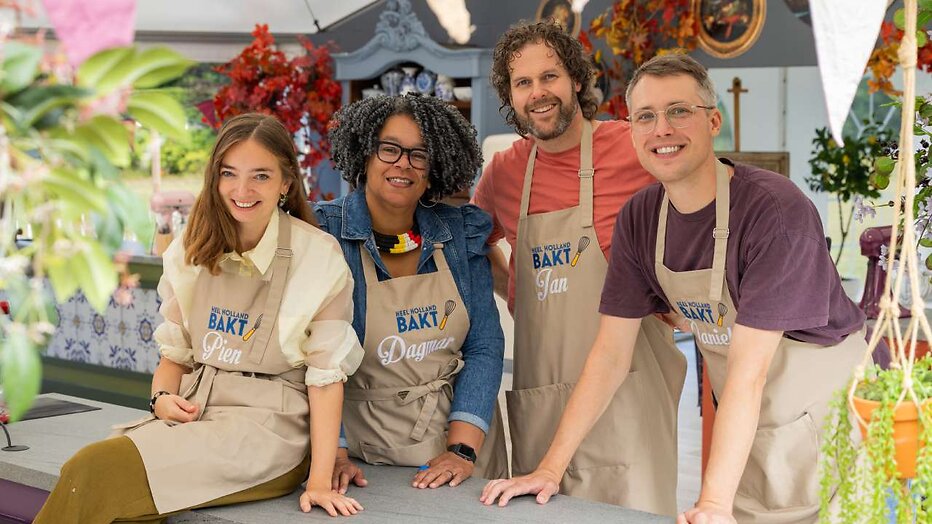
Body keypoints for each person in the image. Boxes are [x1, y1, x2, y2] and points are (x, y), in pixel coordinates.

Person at [480, 54, 866, 524]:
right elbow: (610, 354)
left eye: (679, 111)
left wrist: (713, 503)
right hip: (752, 432)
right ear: (632, 132)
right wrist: (549, 469)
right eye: (645, 116)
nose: (662, 129)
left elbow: (750, 372)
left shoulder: (773, 211)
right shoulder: (642, 218)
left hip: (830, 422)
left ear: (713, 122)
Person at [34, 113, 366, 523]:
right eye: (229, 174)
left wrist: (318, 481)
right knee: (103, 484)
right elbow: (174, 358)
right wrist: (161, 400)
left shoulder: (318, 256)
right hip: (197, 414)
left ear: (286, 183)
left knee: (92, 471)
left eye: (261, 176)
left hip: (271, 433)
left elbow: (326, 380)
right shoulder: (192, 247)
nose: (242, 190)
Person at [471, 20, 687, 514]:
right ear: (510, 95)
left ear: (575, 79)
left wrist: (678, 298)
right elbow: (474, 248)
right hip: (543, 393)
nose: (538, 93)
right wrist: (516, 290)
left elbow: (698, 212)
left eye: (549, 76)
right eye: (523, 82)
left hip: (629, 389)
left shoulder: (634, 147)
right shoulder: (504, 172)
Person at [315, 93, 508, 493]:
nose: (403, 163)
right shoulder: (325, 234)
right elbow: (312, 359)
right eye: (389, 149)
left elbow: (484, 346)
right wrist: (334, 452)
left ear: (433, 170)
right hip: (359, 463)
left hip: (460, 455)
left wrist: (461, 451)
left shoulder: (460, 234)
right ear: (365, 155)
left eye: (419, 155)